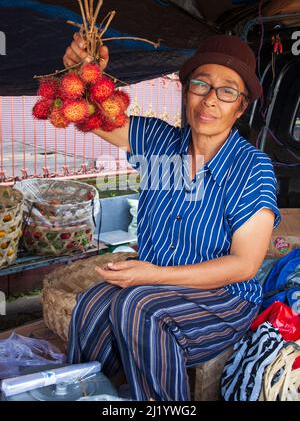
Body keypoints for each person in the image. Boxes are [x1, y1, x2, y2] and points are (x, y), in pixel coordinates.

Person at [63, 34, 281, 401]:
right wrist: (83, 77)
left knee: (139, 307)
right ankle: (81, 394)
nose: (210, 99)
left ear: (241, 108)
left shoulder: (252, 168)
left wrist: (153, 275)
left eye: (227, 92)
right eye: (201, 84)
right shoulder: (160, 142)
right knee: (93, 303)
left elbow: (244, 264)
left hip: (222, 298)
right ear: (186, 91)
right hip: (156, 283)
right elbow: (86, 116)